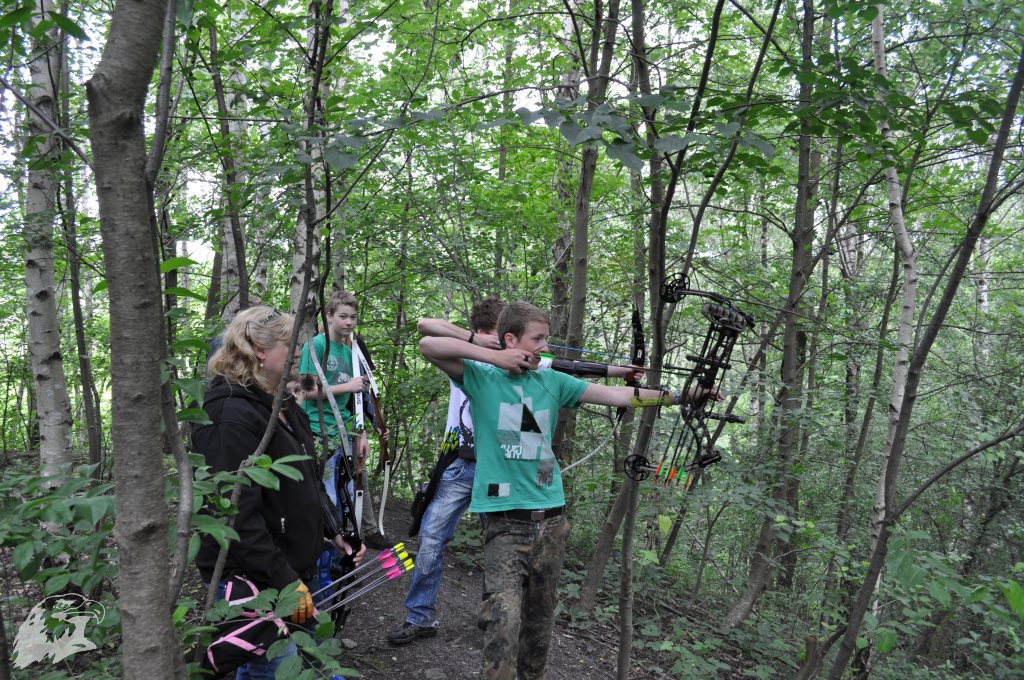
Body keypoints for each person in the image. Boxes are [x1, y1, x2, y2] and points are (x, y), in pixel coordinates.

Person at [419, 300, 719, 680]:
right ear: (511, 339)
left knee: (540, 626)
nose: (546, 346)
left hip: (551, 519)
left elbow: (621, 396)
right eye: (538, 339)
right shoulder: (481, 377)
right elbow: (429, 344)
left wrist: (684, 395)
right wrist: (496, 357)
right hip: (504, 521)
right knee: (502, 621)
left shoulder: (553, 381)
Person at [388, 297, 642, 646]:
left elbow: (576, 370)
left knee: (499, 549)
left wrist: (623, 372)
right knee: (432, 538)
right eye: (494, 335)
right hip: (461, 463)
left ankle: (493, 615)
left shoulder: (533, 366)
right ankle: (419, 617)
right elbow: (425, 333)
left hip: (504, 471)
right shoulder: (472, 360)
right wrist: (485, 348)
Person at [194, 306, 365, 679]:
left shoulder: (282, 403)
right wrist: (286, 582)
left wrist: (334, 530)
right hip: (258, 577)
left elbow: (305, 477)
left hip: (294, 569)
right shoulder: (229, 415)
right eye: (291, 345)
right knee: (270, 669)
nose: (300, 354)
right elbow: (236, 517)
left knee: (306, 661)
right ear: (258, 349)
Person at [299, 291, 390, 549]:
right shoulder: (316, 345)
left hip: (344, 431)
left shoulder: (351, 350)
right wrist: (346, 386)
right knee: (329, 495)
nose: (349, 322)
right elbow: (305, 391)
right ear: (328, 316)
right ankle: (329, 552)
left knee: (350, 494)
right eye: (342, 317)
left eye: (353, 317)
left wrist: (360, 433)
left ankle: (349, 550)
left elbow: (356, 401)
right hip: (319, 432)